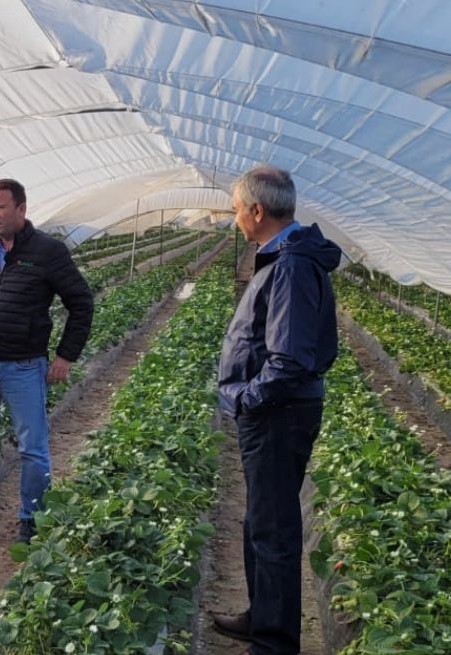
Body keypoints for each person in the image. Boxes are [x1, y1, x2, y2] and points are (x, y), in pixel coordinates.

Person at [212, 166, 339, 655]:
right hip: (276, 412)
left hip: (277, 415)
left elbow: (287, 361)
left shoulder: (289, 265)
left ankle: (274, 642)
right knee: (260, 521)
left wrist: (246, 399)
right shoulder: (286, 258)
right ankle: (261, 616)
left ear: (258, 211)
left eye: (237, 210)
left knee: (275, 529)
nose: (236, 220)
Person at [0, 178, 94, 544]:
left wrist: (65, 355)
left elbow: (81, 303)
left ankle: (31, 517)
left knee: (33, 446)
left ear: (21, 209)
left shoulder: (48, 251)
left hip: (24, 366)